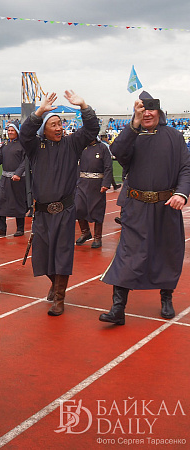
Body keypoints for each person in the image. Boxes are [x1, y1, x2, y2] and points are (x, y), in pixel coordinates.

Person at [100, 91, 190, 325]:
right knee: (128, 254)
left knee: (168, 252)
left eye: (150, 109)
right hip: (136, 207)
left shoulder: (174, 137)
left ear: (159, 112)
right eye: (141, 109)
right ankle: (118, 308)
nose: (147, 113)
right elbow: (117, 151)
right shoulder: (132, 136)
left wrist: (181, 193)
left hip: (166, 207)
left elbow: (186, 168)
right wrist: (134, 124)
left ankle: (166, 297)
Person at [19, 91, 100, 316]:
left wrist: (84, 106)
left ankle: (59, 298)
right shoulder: (35, 147)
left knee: (62, 254)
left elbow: (92, 129)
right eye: (53, 125)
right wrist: (40, 111)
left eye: (60, 124)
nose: (58, 128)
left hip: (64, 211)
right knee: (42, 256)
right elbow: (25, 133)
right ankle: (55, 284)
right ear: (44, 130)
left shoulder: (72, 144)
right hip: (42, 213)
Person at [74, 136, 113, 248]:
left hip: (97, 184)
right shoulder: (81, 147)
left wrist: (105, 184)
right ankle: (85, 232)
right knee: (78, 207)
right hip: (82, 182)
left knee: (97, 210)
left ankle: (97, 237)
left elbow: (108, 167)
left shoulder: (102, 148)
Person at [0, 123, 27, 237]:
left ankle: (20, 228)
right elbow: (1, 160)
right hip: (5, 179)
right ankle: (2, 228)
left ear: (17, 131)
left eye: (12, 130)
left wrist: (18, 173)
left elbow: (25, 161)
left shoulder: (23, 145)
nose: (10, 132)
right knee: (0, 201)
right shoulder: (5, 145)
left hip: (18, 179)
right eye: (9, 130)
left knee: (18, 202)